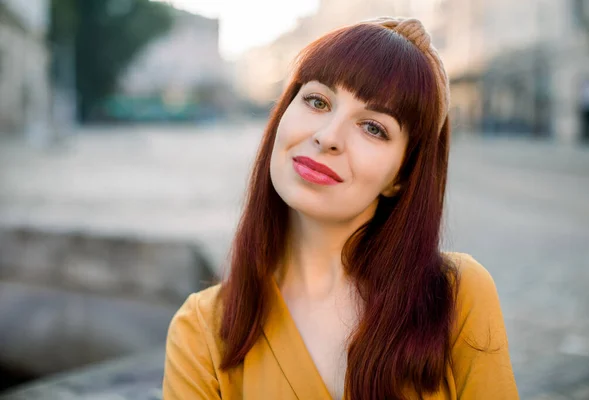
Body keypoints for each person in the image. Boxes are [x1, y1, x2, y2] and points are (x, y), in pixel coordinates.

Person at [162, 17, 519, 400]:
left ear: (401, 176)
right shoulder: (203, 328)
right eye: (317, 101)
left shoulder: (456, 296)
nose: (328, 136)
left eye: (373, 128)